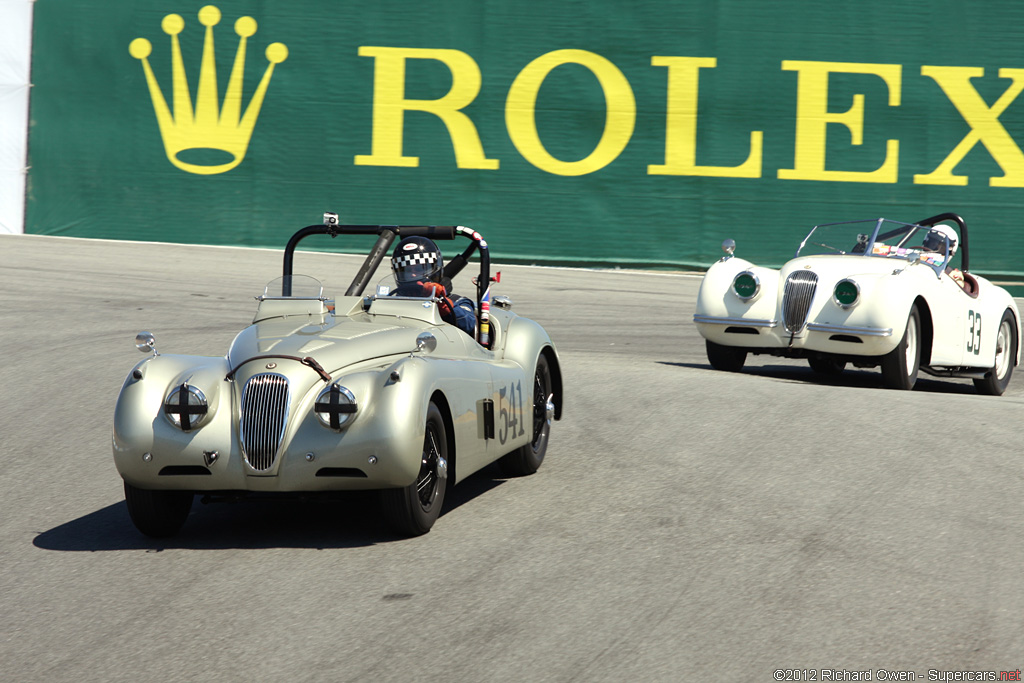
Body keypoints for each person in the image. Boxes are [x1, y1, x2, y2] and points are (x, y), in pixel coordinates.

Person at [390, 236, 477, 337]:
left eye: (418, 269)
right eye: (407, 270)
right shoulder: (392, 302)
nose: (413, 275)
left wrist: (444, 305)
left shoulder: (458, 301)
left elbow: (468, 324)